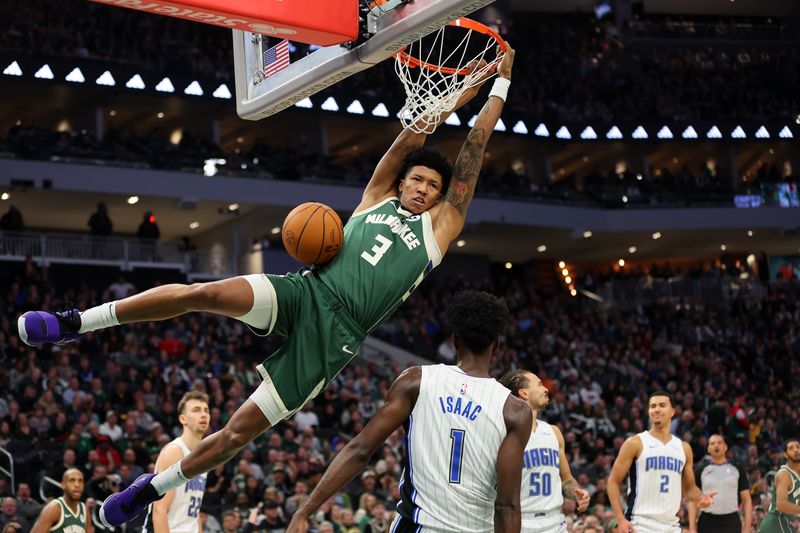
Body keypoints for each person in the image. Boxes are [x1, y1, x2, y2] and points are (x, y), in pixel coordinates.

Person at [18, 42, 517, 529]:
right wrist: (465, 82)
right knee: (204, 293)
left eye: (432, 186)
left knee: (236, 431)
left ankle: (149, 489)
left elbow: (474, 148)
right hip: (306, 289)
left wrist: (499, 85)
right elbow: (415, 130)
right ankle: (74, 322)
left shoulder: (440, 228)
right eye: (417, 180)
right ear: (403, 182)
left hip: (334, 338)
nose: (423, 188)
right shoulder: (375, 198)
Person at [286, 290, 532, 533]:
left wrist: (304, 511)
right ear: (497, 346)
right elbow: (507, 505)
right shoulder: (514, 411)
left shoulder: (416, 380)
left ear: (455, 341)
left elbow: (360, 450)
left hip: (416, 527)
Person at [607, 391, 716, 533]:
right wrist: (621, 519)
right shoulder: (635, 443)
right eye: (653, 406)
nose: (656, 409)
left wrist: (702, 497)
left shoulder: (683, 448)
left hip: (671, 526)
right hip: (639, 524)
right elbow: (613, 481)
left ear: (672, 412)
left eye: (662, 405)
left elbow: (689, 490)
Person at [498, 370, 590, 532]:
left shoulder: (554, 432)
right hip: (519, 521)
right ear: (523, 393)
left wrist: (577, 493)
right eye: (539, 385)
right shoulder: (502, 433)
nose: (546, 389)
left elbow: (567, 479)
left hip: (555, 522)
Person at [142, 391, 210, 533]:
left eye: (206, 410)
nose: (203, 414)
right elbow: (159, 510)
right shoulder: (174, 451)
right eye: (196, 410)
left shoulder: (204, 457)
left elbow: (193, 512)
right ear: (183, 419)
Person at [688, 434, 752, 533]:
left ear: (725, 447)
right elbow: (693, 501)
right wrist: (692, 528)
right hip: (707, 521)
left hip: (731, 521)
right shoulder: (701, 470)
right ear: (708, 449)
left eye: (719, 443)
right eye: (712, 443)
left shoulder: (737, 469)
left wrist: (747, 528)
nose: (716, 446)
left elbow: (746, 499)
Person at [29, 468, 94, 533]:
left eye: (80, 481)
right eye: (72, 480)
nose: (77, 485)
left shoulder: (84, 509)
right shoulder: (54, 508)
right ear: (63, 485)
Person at [758, 438, 800, 533]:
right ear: (785, 454)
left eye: (798, 447)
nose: (796, 450)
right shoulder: (784, 474)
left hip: (784, 521)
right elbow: (781, 505)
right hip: (776, 521)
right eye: (791, 448)